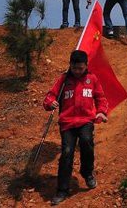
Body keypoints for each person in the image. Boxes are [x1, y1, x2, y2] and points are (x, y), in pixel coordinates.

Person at [43, 50, 108, 205]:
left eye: (80, 68)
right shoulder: (63, 80)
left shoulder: (92, 79)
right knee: (66, 152)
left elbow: (101, 98)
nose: (77, 71)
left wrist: (101, 112)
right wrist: (50, 103)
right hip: (67, 123)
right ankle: (62, 189)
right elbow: (50, 96)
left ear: (86, 66)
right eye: (74, 68)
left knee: (86, 142)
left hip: (86, 120)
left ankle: (87, 173)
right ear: (70, 65)